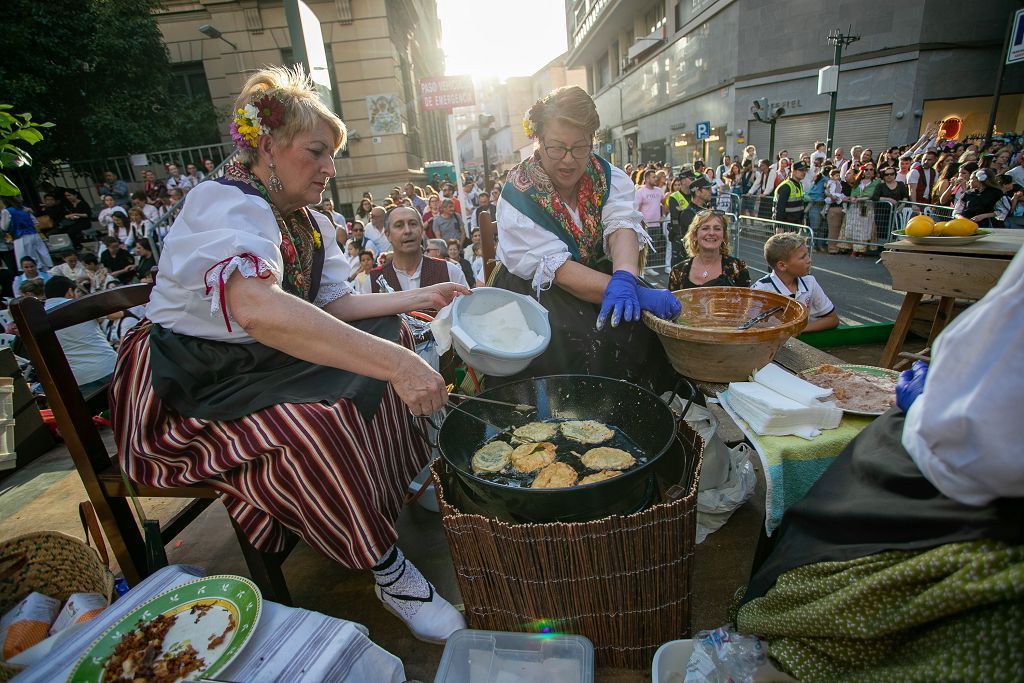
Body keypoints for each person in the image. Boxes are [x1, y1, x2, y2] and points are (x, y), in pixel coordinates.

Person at [110, 65, 470, 644]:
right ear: (268, 147)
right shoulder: (224, 203)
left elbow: (334, 303)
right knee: (314, 422)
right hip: (195, 381)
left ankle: (395, 483)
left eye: (333, 155)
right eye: (317, 152)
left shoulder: (302, 221)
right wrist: (398, 366)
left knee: (394, 326)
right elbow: (257, 309)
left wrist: (422, 295)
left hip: (259, 358)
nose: (330, 168)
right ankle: (384, 565)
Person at [736, 249, 1024, 681]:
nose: (808, 258)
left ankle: (779, 605)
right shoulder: (763, 290)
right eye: (799, 254)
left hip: (968, 480)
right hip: (970, 459)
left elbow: (979, 441)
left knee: (820, 518)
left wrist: (932, 407)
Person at [492, 85, 680, 390]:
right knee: (580, 344)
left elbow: (621, 226)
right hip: (536, 288)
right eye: (556, 147)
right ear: (537, 141)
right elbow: (560, 270)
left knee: (645, 331)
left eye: (579, 148)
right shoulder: (517, 196)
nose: (568, 160)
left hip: (595, 275)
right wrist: (635, 294)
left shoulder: (607, 176)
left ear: (592, 141)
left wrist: (625, 278)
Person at [43, 275, 118, 392]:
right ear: (69, 291)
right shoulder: (81, 305)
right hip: (108, 365)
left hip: (79, 377)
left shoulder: (40, 318)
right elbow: (116, 315)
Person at [751, 232, 838, 332]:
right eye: (802, 257)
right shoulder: (760, 290)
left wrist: (797, 330)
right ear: (782, 266)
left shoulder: (810, 282)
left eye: (807, 255)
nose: (809, 260)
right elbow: (748, 327)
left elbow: (833, 319)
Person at [370, 207, 468, 293]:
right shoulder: (372, 280)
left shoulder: (450, 272)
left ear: (421, 231)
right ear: (388, 235)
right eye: (399, 225)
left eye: (413, 224)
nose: (407, 231)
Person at [667, 210, 750, 290]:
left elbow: (746, 303)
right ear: (695, 235)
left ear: (724, 236)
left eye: (717, 229)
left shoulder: (738, 268)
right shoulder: (678, 272)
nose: (711, 233)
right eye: (705, 228)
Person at [1, 196, 53, 269]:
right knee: (42, 257)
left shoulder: (6, 211)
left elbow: (4, 227)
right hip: (35, 235)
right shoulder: (25, 208)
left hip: (21, 237)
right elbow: (35, 222)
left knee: (28, 259)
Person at [845, 163, 880, 255]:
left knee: (865, 229)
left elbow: (871, 195)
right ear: (863, 172)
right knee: (854, 228)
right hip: (855, 208)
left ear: (874, 172)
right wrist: (853, 198)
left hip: (867, 207)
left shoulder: (876, 182)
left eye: (871, 170)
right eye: (866, 170)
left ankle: (862, 249)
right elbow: (853, 194)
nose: (868, 171)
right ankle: (854, 249)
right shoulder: (858, 182)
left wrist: (860, 198)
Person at [823, 166, 848, 254]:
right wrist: (830, 195)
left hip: (839, 199)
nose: (837, 177)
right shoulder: (830, 182)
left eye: (838, 175)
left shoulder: (840, 183)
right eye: (836, 175)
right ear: (831, 176)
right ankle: (832, 247)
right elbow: (826, 191)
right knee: (833, 229)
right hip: (833, 204)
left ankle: (841, 247)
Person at [773, 160, 807, 225]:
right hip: (786, 224)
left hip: (796, 223)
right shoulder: (786, 186)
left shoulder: (799, 184)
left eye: (805, 170)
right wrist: (779, 226)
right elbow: (780, 208)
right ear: (793, 172)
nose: (804, 172)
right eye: (801, 170)